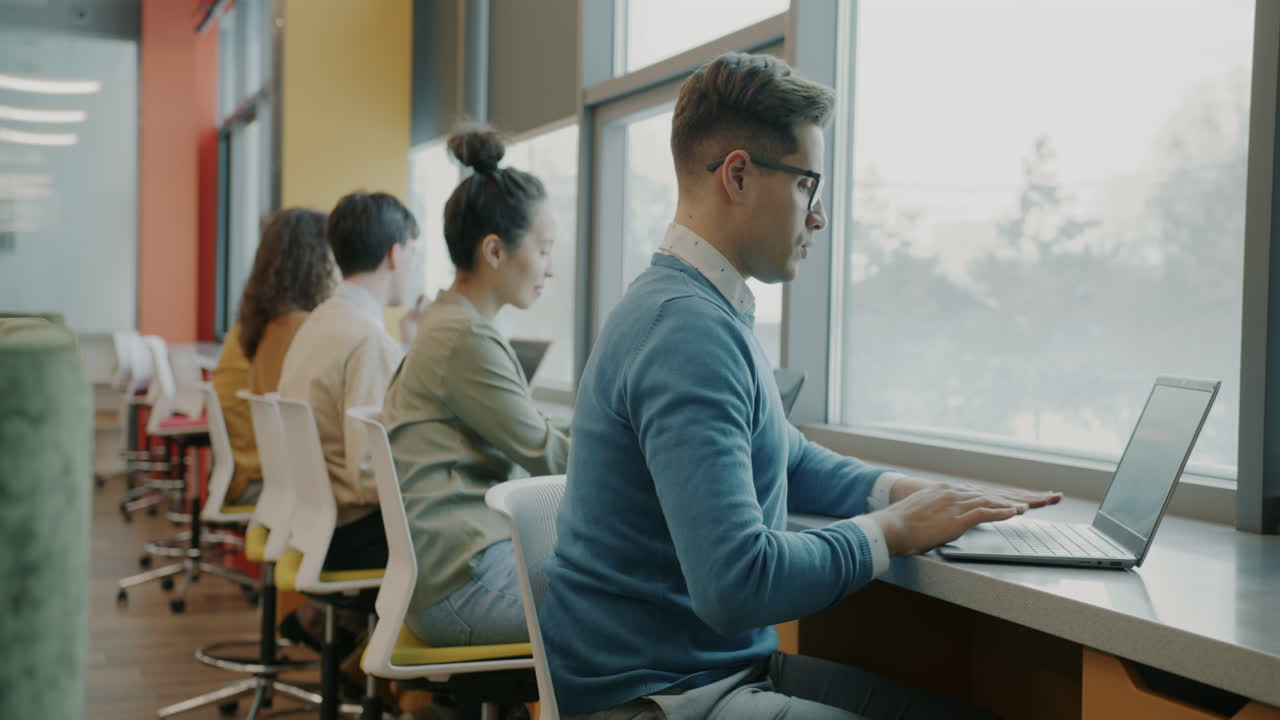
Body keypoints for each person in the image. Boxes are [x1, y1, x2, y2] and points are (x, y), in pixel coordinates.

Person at [539, 52, 1062, 720]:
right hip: (660, 696)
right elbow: (736, 584)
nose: (816, 218)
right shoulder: (684, 332)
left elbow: (788, 454)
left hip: (707, 669)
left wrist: (910, 494)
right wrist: (892, 530)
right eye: (806, 187)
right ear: (739, 175)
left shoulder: (696, 306)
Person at [383, 124, 570, 651]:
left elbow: (537, 437)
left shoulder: (449, 324)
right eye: (544, 249)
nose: (550, 270)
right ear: (494, 251)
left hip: (449, 572)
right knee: (638, 606)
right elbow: (547, 455)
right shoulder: (464, 337)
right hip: (462, 585)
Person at [278, 191, 425, 573]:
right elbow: (367, 474)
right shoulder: (367, 341)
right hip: (352, 535)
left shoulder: (319, 322)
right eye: (413, 252)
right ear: (394, 255)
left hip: (314, 526)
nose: (413, 265)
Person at [211, 208, 334, 506]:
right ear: (315, 263)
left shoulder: (261, 325)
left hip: (250, 473)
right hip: (262, 481)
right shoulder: (297, 329)